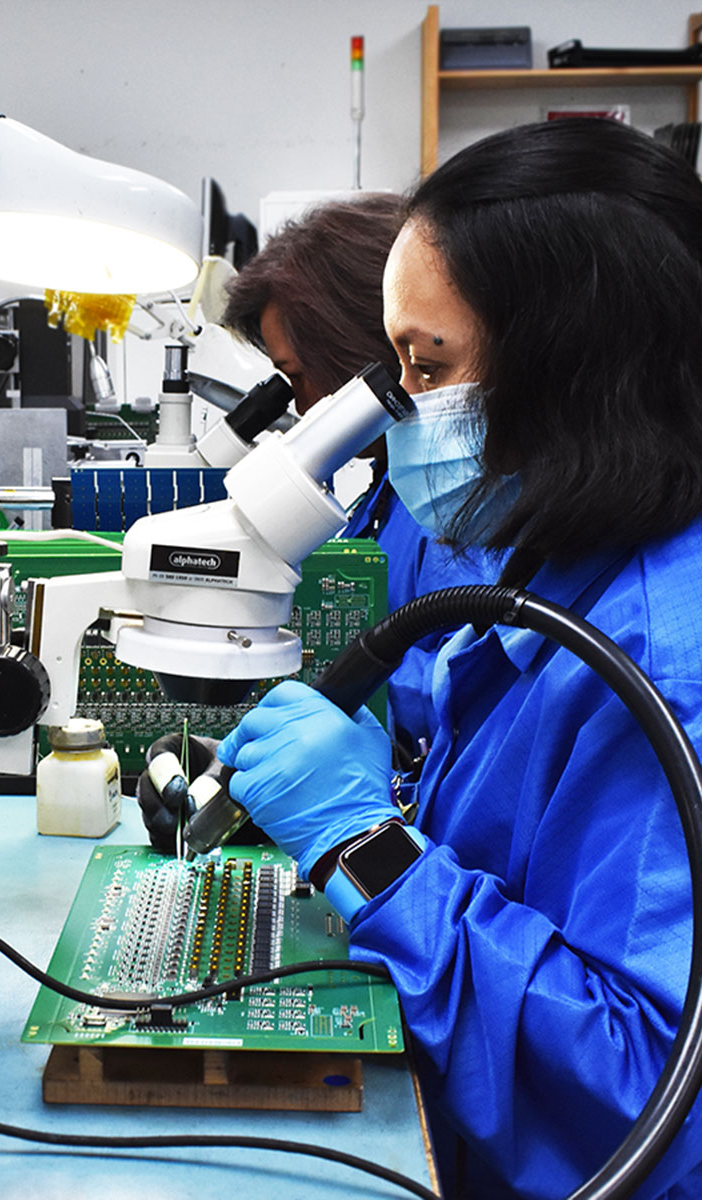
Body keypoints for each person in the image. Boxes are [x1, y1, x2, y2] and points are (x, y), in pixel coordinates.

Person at [217, 117, 702, 1200]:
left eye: (426, 367)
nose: (400, 408)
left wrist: (364, 845)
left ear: (576, 369)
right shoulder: (563, 576)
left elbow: (650, 1101)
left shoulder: (667, 664)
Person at [221, 193, 498, 739]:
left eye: (297, 377)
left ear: (355, 352)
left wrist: (318, 691)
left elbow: (470, 688)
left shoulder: (453, 505)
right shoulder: (391, 490)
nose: (299, 407)